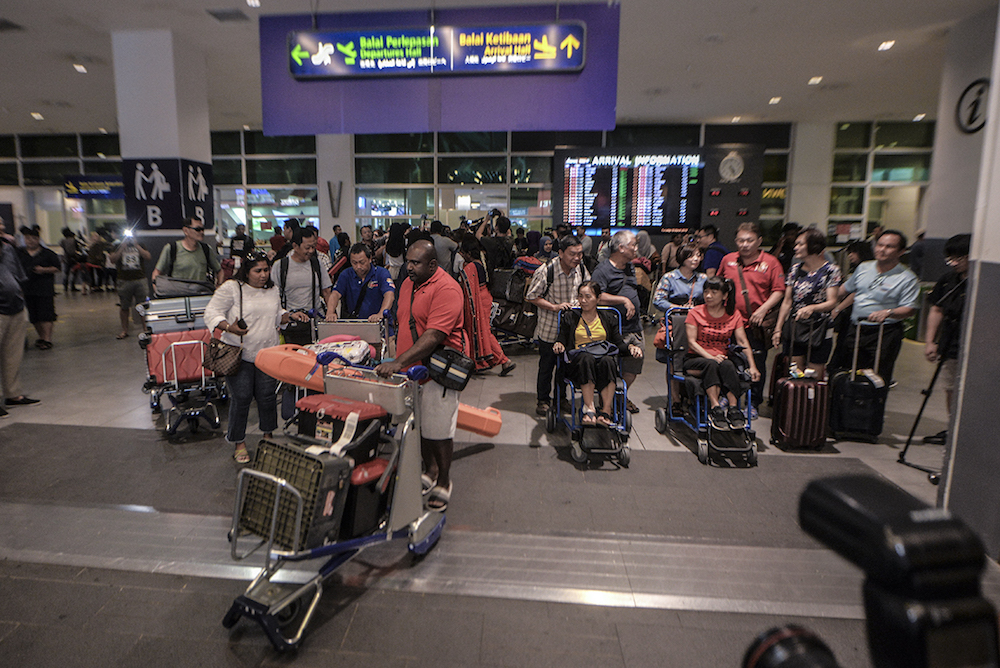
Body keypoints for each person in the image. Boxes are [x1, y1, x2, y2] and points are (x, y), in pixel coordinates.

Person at [375, 240, 466, 512]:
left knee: (439, 429)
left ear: (433, 265)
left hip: (439, 371)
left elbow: (434, 335)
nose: (409, 267)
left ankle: (445, 481)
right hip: (410, 370)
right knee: (420, 427)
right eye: (408, 261)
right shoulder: (407, 284)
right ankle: (431, 470)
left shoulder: (448, 288)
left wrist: (398, 361)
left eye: (416, 263)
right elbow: (405, 322)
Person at [205, 251, 310, 463]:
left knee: (267, 397)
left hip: (268, 354)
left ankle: (268, 438)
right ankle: (239, 442)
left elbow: (276, 314)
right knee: (242, 398)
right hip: (239, 354)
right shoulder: (233, 288)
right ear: (247, 270)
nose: (263, 275)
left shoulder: (272, 289)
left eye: (266, 270)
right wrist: (229, 327)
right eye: (257, 271)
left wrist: (289, 315)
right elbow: (211, 311)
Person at [830, 229, 919, 384]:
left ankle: (872, 406)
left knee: (878, 378)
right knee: (847, 373)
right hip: (856, 329)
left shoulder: (907, 278)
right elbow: (845, 290)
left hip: (885, 332)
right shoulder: (864, 267)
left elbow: (909, 309)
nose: (882, 250)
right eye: (880, 245)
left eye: (889, 247)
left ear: (901, 252)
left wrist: (889, 312)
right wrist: (823, 302)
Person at [552, 281, 642, 426]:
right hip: (578, 365)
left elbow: (618, 343)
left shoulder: (608, 318)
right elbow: (562, 337)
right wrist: (559, 344)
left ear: (598, 299)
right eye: (580, 296)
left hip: (601, 363)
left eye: (588, 296)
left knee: (608, 361)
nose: (583, 300)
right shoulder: (570, 317)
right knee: (586, 359)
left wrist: (631, 347)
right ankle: (589, 408)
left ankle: (606, 411)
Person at [717, 222, 785, 414]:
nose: (745, 244)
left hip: (755, 324)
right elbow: (718, 286)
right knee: (726, 361)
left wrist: (763, 310)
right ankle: (726, 395)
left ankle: (753, 402)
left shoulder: (771, 262)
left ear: (759, 241)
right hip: (729, 323)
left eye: (749, 240)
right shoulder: (728, 260)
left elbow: (779, 291)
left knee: (756, 363)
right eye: (741, 240)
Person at [683, 276, 760, 429]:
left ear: (725, 296)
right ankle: (715, 408)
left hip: (721, 359)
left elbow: (743, 342)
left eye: (714, 292)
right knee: (712, 364)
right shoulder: (695, 313)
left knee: (727, 365)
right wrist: (711, 356)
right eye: (706, 291)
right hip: (696, 359)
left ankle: (733, 409)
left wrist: (752, 366)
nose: (708, 296)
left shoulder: (733, 314)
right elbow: (692, 342)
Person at [526, 235, 590, 417]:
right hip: (550, 329)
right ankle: (543, 400)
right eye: (572, 254)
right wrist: (554, 307)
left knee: (566, 367)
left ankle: (561, 399)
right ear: (561, 253)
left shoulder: (582, 270)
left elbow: (588, 289)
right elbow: (531, 296)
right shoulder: (547, 271)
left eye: (580, 254)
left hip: (571, 331)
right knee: (547, 366)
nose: (577, 258)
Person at [771, 228, 842, 378]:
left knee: (814, 374)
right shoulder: (795, 270)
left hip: (819, 328)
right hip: (796, 326)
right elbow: (787, 301)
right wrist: (778, 329)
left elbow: (832, 302)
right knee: (795, 372)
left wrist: (813, 308)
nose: (795, 247)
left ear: (813, 245)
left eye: (800, 244)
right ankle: (795, 400)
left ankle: (812, 400)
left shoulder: (831, 270)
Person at [922, 234, 971, 445]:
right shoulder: (948, 280)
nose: (954, 263)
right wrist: (930, 341)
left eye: (960, 258)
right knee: (950, 386)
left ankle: (968, 430)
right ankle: (953, 428)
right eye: (951, 258)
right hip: (950, 343)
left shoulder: (984, 281)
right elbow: (937, 308)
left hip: (975, 346)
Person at [592, 230, 644, 413]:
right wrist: (623, 300)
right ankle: (604, 402)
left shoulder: (629, 267)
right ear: (621, 248)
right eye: (633, 245)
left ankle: (621, 395)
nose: (636, 249)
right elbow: (596, 297)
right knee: (608, 366)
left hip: (634, 327)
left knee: (633, 366)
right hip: (613, 330)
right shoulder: (602, 270)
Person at [456, 236, 516, 376]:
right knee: (484, 331)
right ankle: (483, 362)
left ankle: (505, 361)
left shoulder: (471, 266)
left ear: (469, 254)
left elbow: (467, 286)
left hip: (479, 300)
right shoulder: (482, 261)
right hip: (484, 296)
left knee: (483, 332)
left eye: (463, 253)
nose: (462, 256)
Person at [0, 217, 39, 417]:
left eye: (2, 224)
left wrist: (20, 295)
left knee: (12, 354)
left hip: (15, 306)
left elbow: (17, 274)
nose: (2, 227)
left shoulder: (7, 248)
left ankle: (13, 394)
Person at [273, 225, 333, 344]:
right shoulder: (280, 266)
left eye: (313, 246)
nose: (311, 251)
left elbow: (327, 292)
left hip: (314, 324)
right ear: (295, 246)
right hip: (291, 325)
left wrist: (331, 313)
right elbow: (274, 297)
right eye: (307, 247)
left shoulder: (317, 264)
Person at [15, 227, 60, 350]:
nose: (30, 241)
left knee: (46, 314)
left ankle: (47, 339)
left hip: (44, 288)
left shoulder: (48, 254)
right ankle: (41, 337)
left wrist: (44, 270)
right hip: (27, 288)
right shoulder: (19, 252)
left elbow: (57, 268)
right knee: (34, 316)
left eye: (33, 238)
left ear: (38, 239)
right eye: (28, 238)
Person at [329, 243, 395, 322]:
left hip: (379, 324)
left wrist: (381, 314)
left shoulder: (382, 273)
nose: (358, 267)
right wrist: (330, 312)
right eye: (354, 263)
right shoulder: (346, 274)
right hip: (356, 324)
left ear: (369, 259)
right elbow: (335, 294)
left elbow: (389, 295)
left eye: (362, 262)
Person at [151, 218, 223, 290]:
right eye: (197, 229)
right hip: (178, 295)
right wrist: (157, 291)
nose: (201, 232)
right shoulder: (172, 248)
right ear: (186, 231)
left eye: (202, 229)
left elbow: (219, 271)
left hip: (200, 294)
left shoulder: (206, 249)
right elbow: (157, 272)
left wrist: (218, 286)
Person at [109, 232, 151, 340]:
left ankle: (146, 329)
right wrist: (122, 247)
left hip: (140, 279)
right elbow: (112, 259)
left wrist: (137, 246)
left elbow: (148, 257)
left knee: (143, 306)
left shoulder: (140, 244)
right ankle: (125, 330)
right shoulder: (117, 245)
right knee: (124, 306)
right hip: (124, 280)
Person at [653, 245, 706, 310]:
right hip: (676, 316)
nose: (696, 259)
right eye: (691, 256)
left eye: (698, 255)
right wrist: (678, 308)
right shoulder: (669, 277)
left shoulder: (703, 278)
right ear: (682, 257)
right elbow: (658, 300)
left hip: (698, 315)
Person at [59, 227, 82, 293]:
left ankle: (65, 286)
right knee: (74, 272)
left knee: (66, 273)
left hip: (66, 258)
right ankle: (72, 286)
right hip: (74, 258)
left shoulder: (62, 241)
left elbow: (62, 248)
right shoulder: (73, 240)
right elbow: (78, 248)